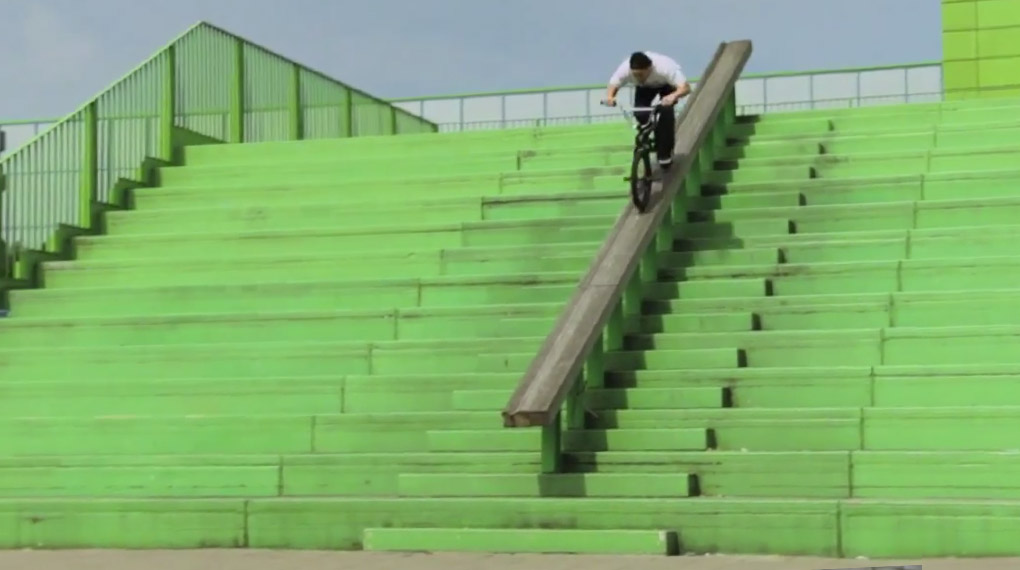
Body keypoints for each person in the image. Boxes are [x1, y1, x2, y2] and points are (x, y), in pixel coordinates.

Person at [605, 51, 691, 170]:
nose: (638, 77)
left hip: (666, 85)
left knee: (665, 112)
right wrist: (610, 97)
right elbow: (613, 84)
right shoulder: (625, 69)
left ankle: (664, 152)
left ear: (650, 68)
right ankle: (651, 133)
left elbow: (686, 88)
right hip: (644, 88)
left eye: (641, 74)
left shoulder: (665, 67)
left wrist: (674, 96)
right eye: (635, 75)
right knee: (640, 113)